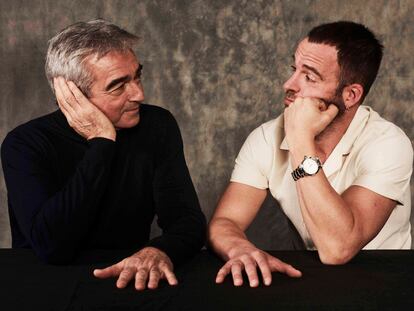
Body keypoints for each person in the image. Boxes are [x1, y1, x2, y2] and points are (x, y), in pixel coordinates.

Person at [1, 19, 206, 290]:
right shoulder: (24, 144)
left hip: (128, 281)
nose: (139, 94)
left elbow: (187, 221)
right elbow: (52, 247)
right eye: (118, 86)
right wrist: (101, 142)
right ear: (73, 95)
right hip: (48, 287)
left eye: (137, 76)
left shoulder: (157, 126)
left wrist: (159, 251)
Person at [208, 21, 413, 287]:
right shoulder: (266, 137)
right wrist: (238, 247)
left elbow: (338, 249)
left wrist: (301, 140)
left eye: (309, 77)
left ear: (350, 95)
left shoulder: (388, 143)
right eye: (294, 70)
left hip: (387, 282)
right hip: (309, 280)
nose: (288, 84)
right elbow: (226, 221)